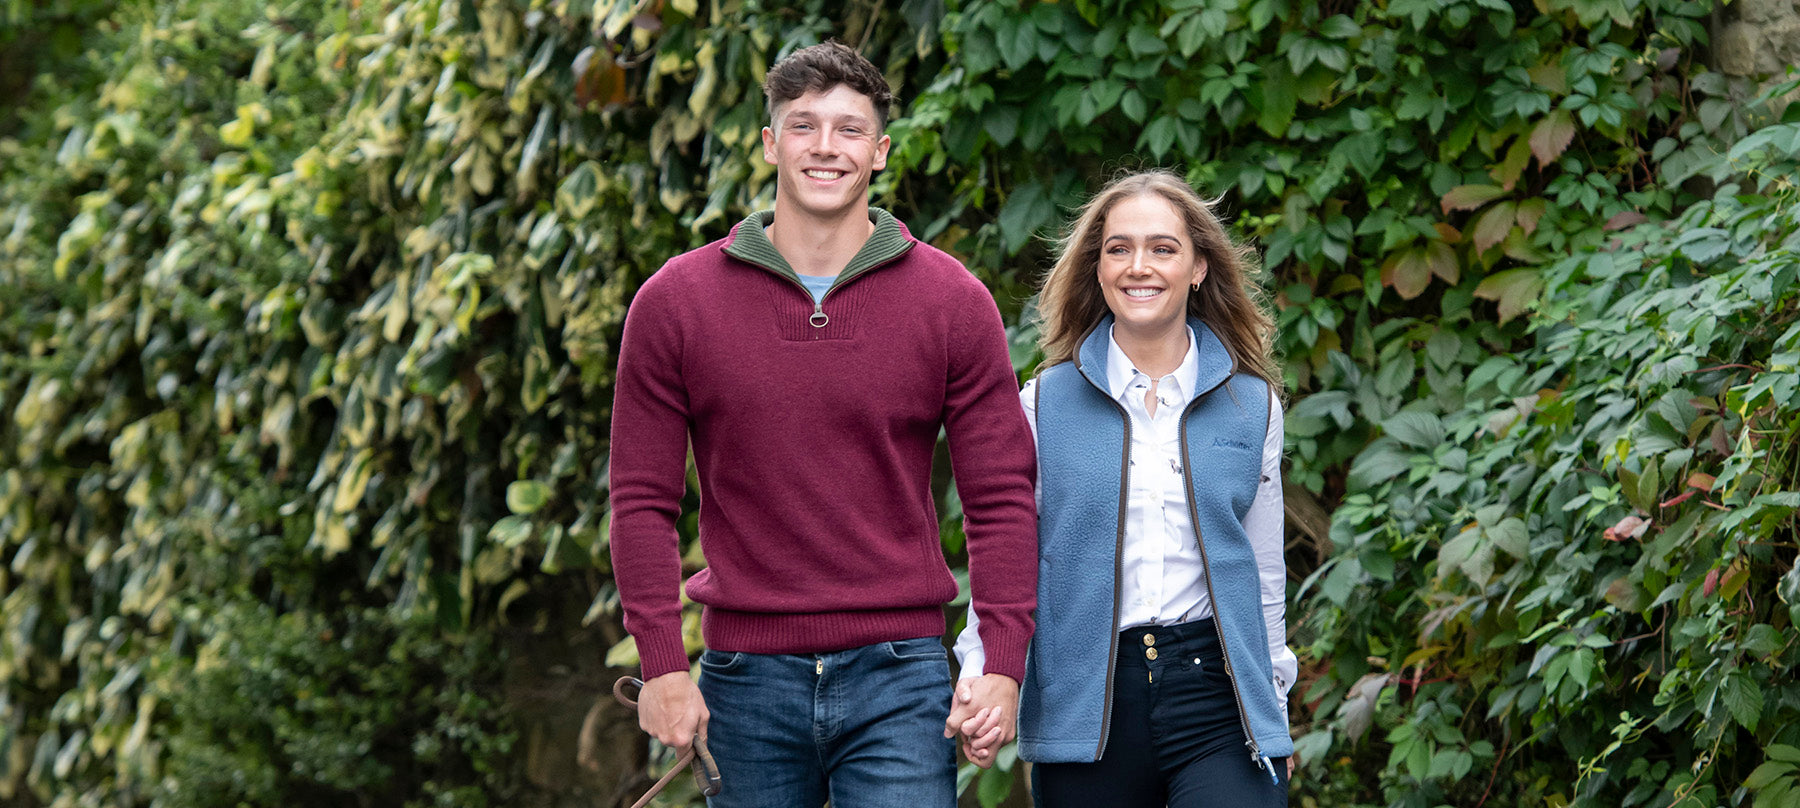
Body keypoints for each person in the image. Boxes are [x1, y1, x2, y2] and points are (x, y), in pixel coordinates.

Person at [607, 40, 1037, 807]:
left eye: (849, 129)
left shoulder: (952, 302)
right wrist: (664, 663)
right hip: (744, 678)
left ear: (880, 153)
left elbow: (1001, 497)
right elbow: (641, 499)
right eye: (804, 126)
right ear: (772, 143)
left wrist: (1000, 661)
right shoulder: (676, 302)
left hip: (900, 675)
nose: (826, 147)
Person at [950, 169, 1296, 806]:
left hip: (1217, 699)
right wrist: (984, 669)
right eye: (1119, 248)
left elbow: (1264, 571)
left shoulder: (1253, 406)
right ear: (1099, 268)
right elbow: (1006, 553)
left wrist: (1271, 708)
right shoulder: (1041, 405)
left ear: (1198, 268)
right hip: (1088, 704)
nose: (1140, 266)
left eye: (1163, 248)